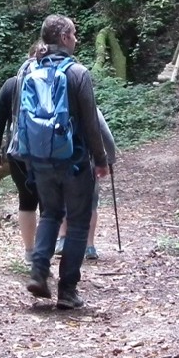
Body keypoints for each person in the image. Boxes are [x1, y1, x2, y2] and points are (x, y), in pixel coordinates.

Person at [13, 14, 108, 310]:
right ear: (65, 37)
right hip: (74, 160)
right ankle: (67, 290)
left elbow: (20, 116)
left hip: (39, 158)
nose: (76, 39)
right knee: (78, 222)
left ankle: (39, 272)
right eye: (74, 34)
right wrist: (101, 159)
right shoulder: (77, 73)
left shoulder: (29, 70)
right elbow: (91, 123)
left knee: (51, 214)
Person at [0, 43, 47, 265]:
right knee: (49, 203)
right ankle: (46, 252)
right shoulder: (55, 80)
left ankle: (30, 251)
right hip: (51, 151)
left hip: (18, 151)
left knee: (27, 200)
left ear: (28, 57)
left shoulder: (12, 84)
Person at [54, 108, 115, 260]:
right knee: (91, 203)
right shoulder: (91, 109)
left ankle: (62, 239)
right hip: (87, 160)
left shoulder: (55, 107)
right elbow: (107, 136)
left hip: (60, 160)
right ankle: (89, 246)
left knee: (63, 199)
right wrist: (109, 159)